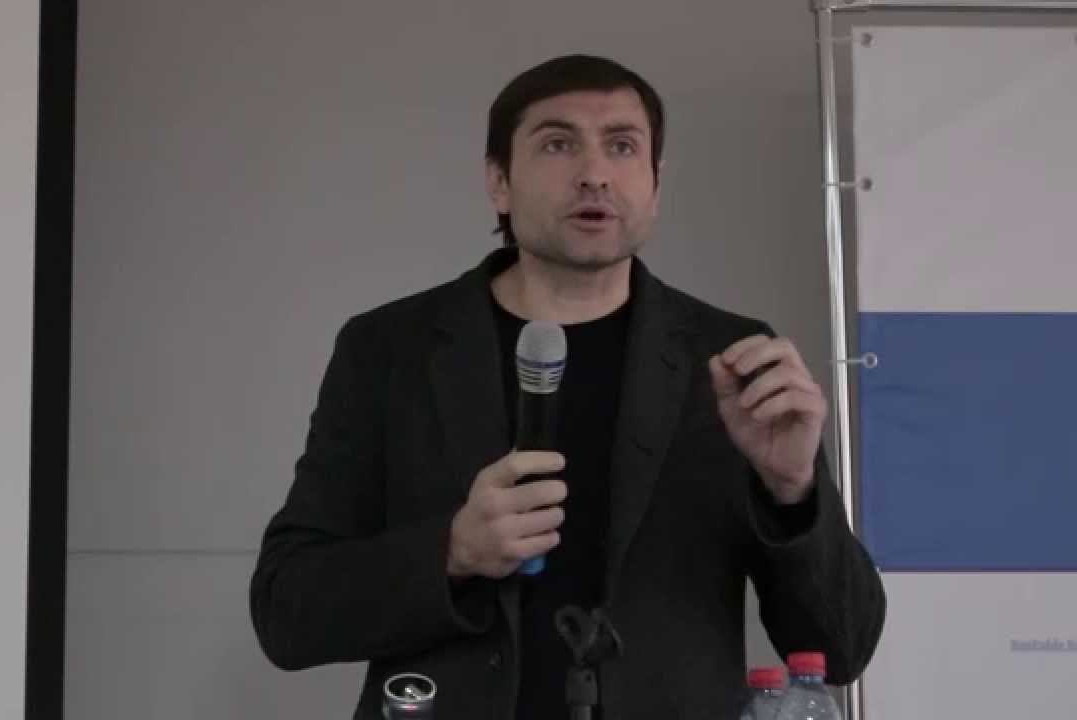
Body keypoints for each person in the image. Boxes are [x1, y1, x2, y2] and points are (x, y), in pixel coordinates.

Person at [249, 54, 886, 720]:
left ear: (655, 184)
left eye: (622, 146)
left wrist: (792, 493)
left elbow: (841, 647)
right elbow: (285, 610)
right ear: (499, 182)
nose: (594, 173)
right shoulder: (390, 349)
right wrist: (453, 552)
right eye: (558, 144)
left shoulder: (731, 360)